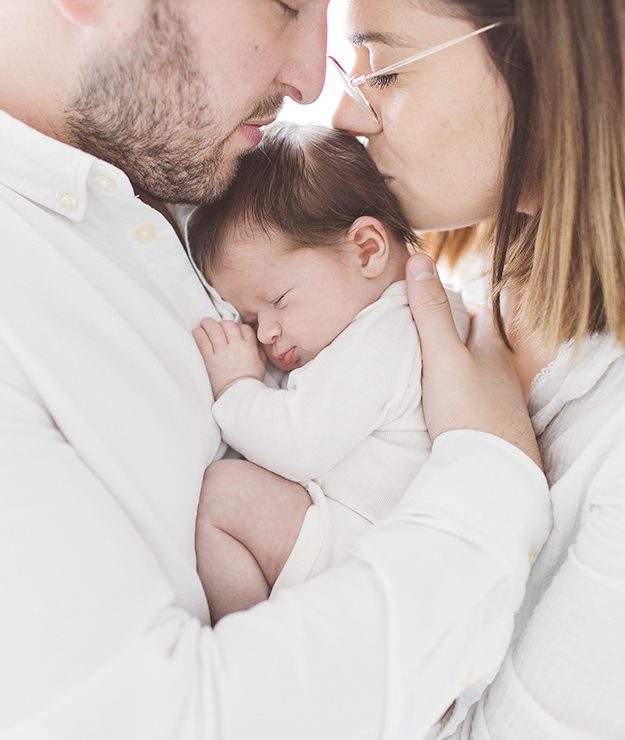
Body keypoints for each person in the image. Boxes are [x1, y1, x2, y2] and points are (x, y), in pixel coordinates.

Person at [0, 2, 549, 739]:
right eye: (285, 3)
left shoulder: (214, 166)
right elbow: (167, 722)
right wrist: (491, 470)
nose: (310, 79)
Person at [331, 0, 625, 738]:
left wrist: (489, 460)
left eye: (383, 69)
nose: (345, 118)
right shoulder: (472, 272)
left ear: (544, 61)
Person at [188, 122, 470, 622]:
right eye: (250, 321)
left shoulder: (388, 332)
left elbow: (299, 443)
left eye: (275, 302)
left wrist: (236, 387)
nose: (265, 334)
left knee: (223, 496)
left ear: (366, 249)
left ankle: (254, 648)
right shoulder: (410, 312)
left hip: (362, 553)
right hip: (378, 555)